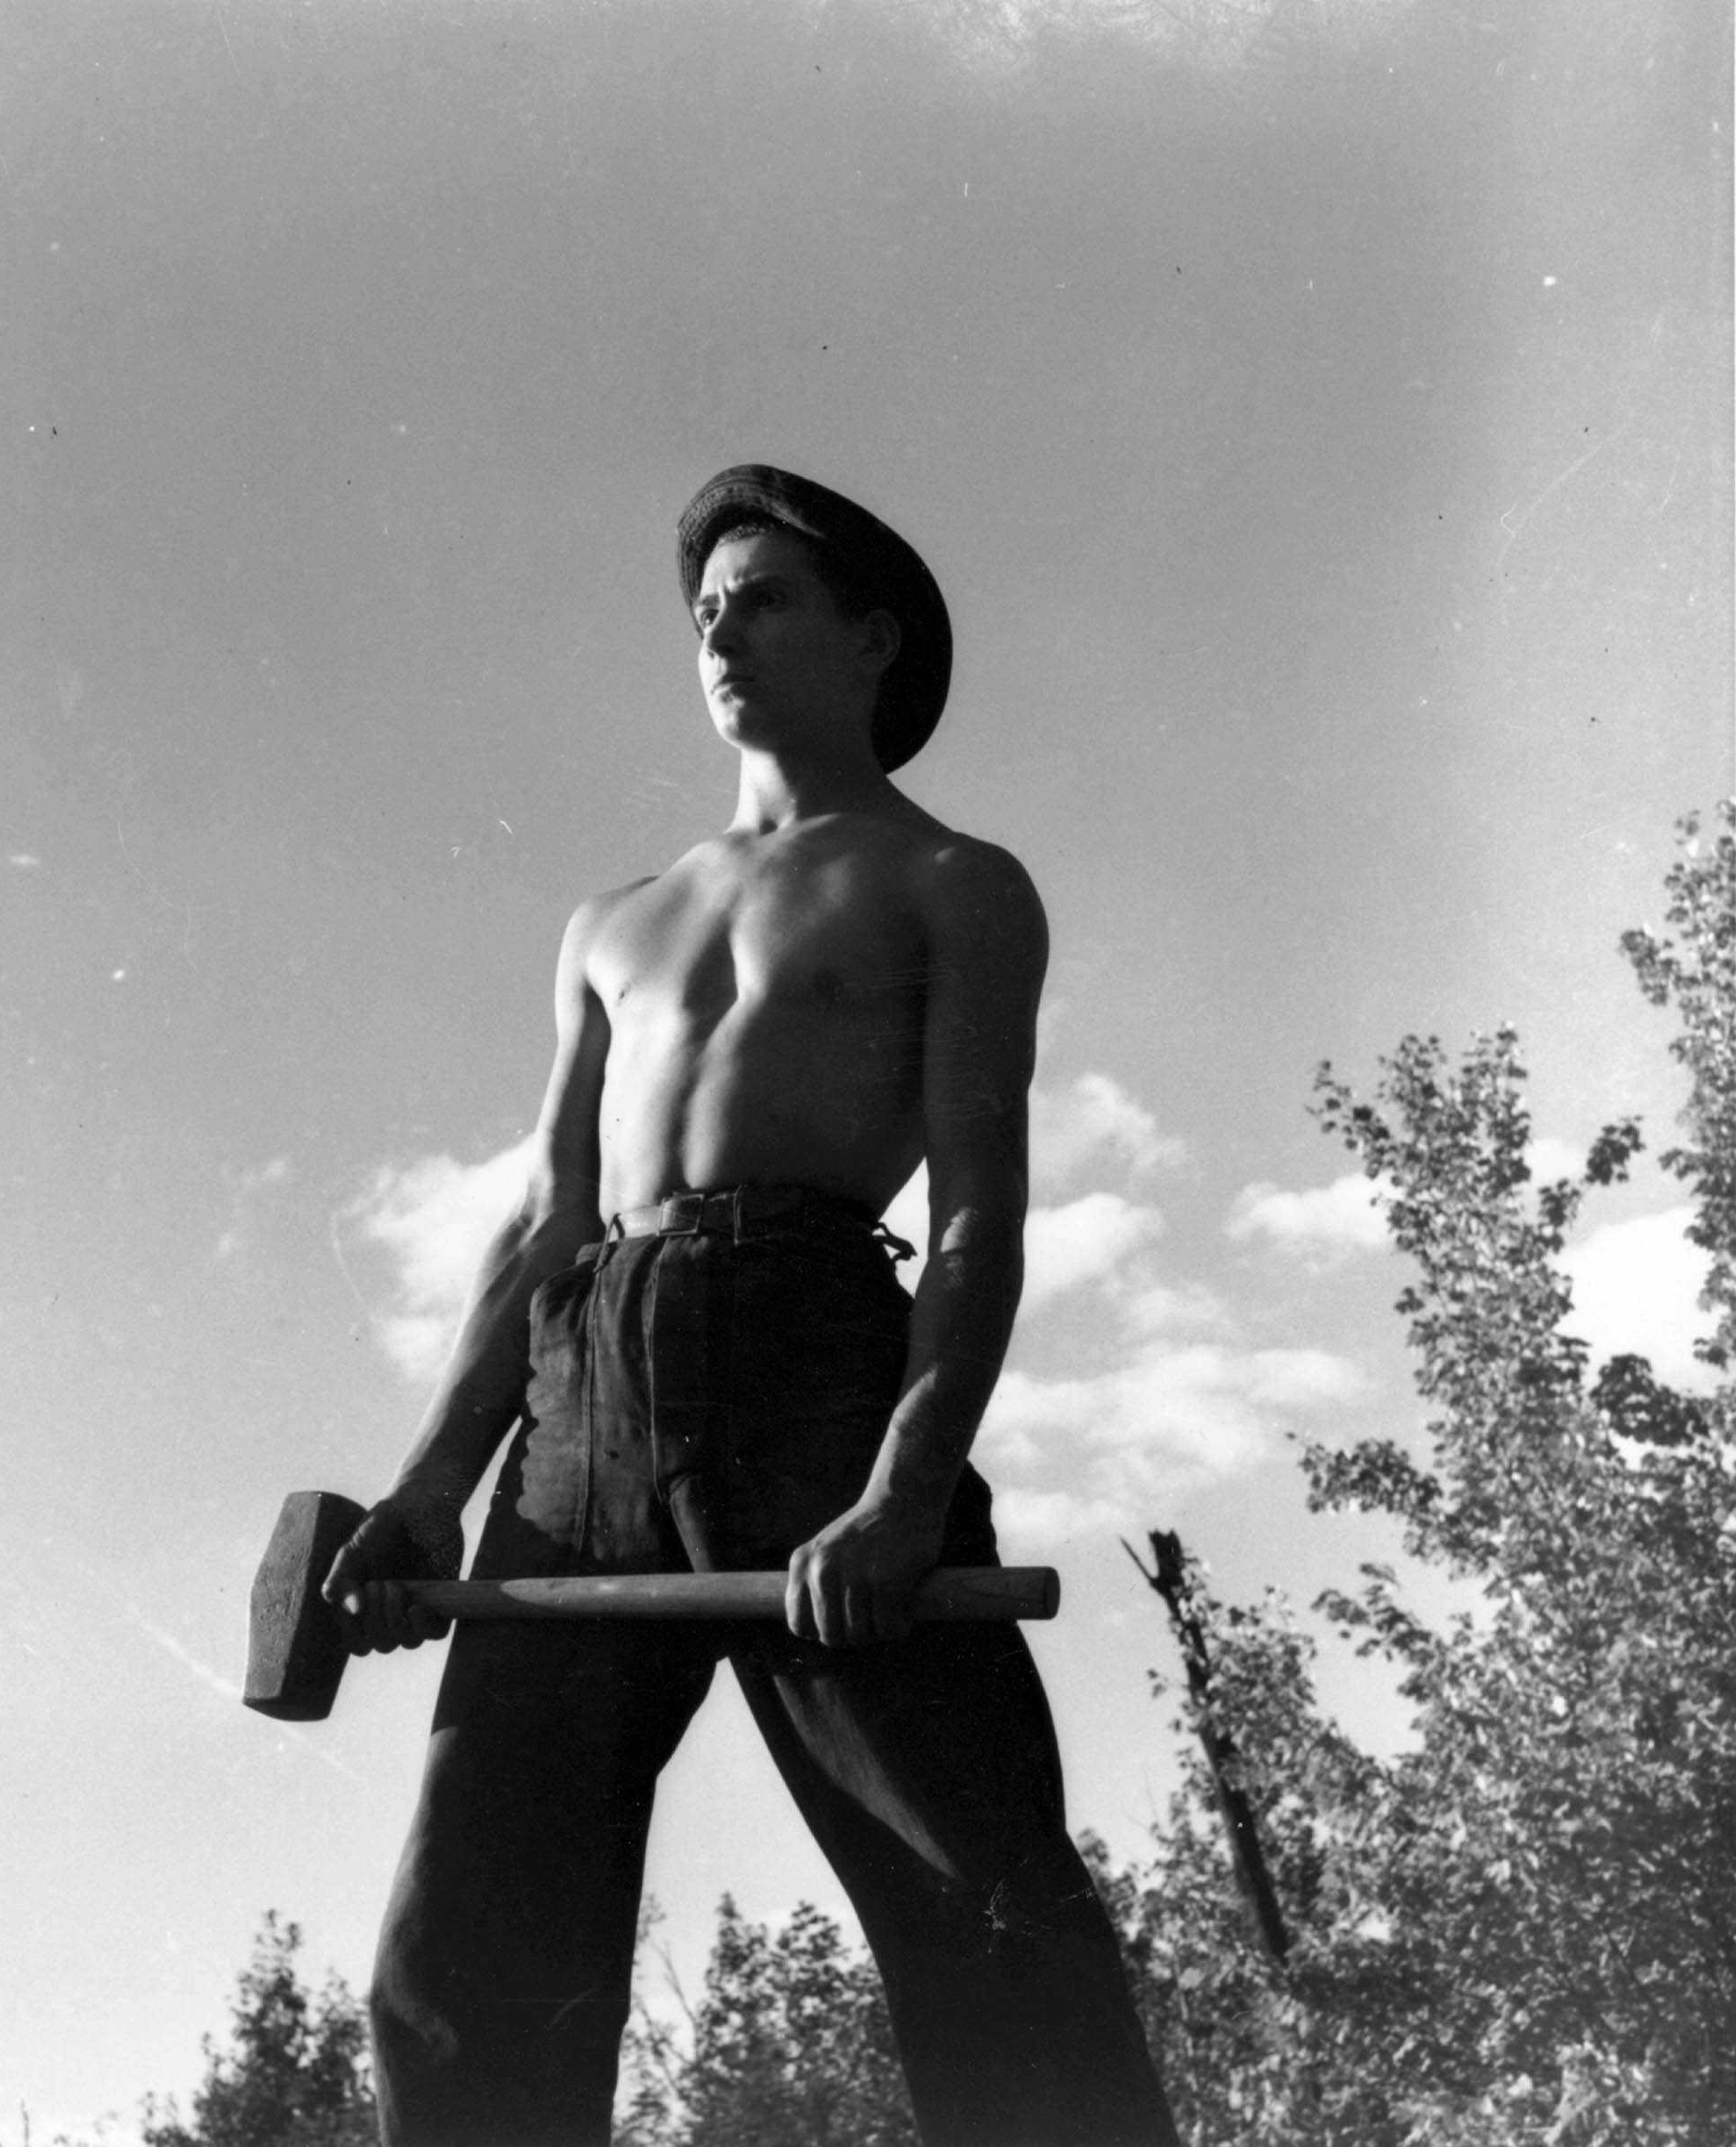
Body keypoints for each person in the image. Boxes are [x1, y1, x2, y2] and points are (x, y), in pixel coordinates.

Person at [323, 466, 1178, 2147]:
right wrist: (431, 1486)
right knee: (463, 1957)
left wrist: (907, 1490)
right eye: (706, 605)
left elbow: (981, 1216)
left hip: (821, 1382)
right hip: (582, 1422)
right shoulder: (612, 922)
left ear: (871, 643)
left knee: (985, 1910)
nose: (721, 626)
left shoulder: (953, 882)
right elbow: (544, 1221)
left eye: (764, 595)